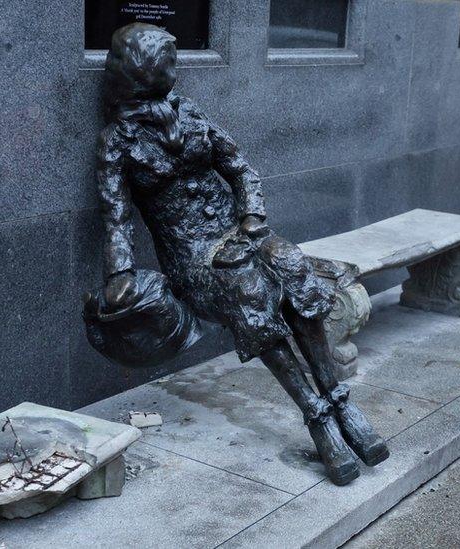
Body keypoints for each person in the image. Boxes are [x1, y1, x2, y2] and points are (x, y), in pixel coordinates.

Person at [95, 23, 387, 485]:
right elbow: (116, 216)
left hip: (237, 231)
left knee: (290, 262)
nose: (177, 67)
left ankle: (340, 400)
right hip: (192, 255)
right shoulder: (119, 140)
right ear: (143, 69)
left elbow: (240, 166)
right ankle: (318, 418)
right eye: (168, 60)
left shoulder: (189, 113)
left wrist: (252, 219)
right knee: (248, 290)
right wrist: (120, 272)